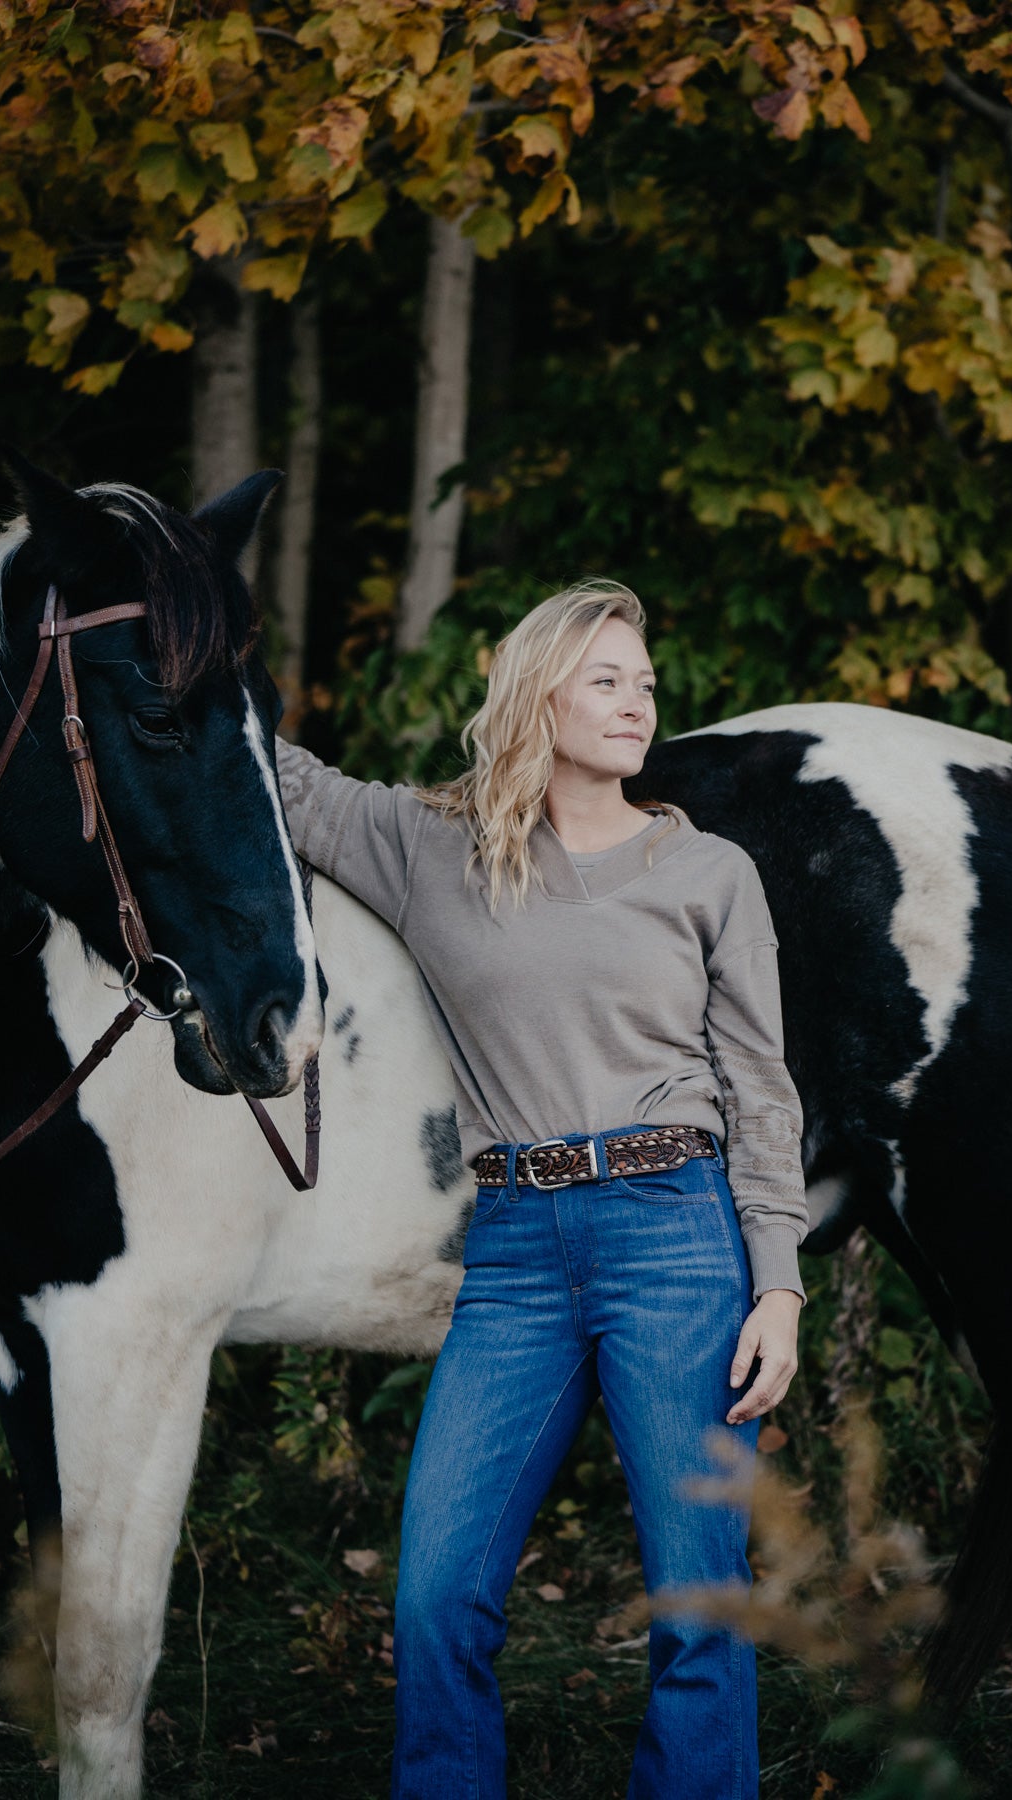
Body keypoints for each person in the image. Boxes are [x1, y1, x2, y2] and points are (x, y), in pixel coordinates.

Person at [275, 581, 807, 1800]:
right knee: (435, 1594)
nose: (639, 702)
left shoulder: (709, 871)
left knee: (699, 1603)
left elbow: (762, 1092)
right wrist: (175, 610)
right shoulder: (430, 849)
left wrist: (776, 1285)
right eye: (609, 679)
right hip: (514, 1254)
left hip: (678, 1240)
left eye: (648, 680)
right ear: (538, 693)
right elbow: (278, 779)